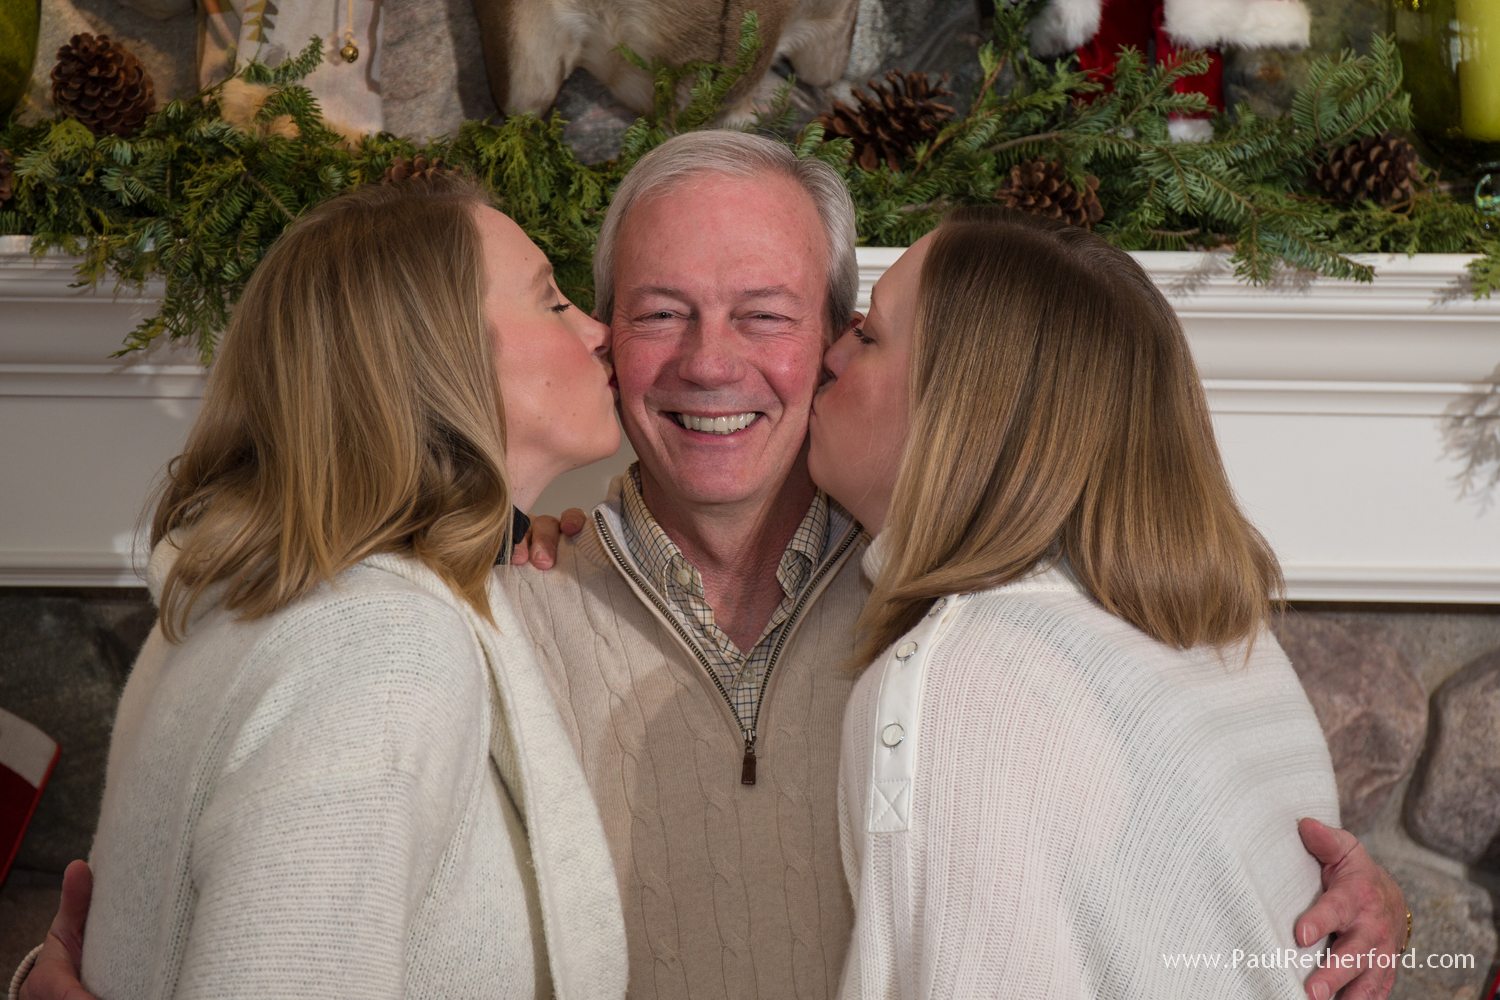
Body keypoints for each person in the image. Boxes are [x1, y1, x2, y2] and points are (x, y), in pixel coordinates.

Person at [18, 132, 1407, 1000]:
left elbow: (1182, 859)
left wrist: (1336, 920)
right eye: (655, 311)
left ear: (844, 338)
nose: (709, 364)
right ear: (607, 337)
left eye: (768, 315)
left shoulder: (987, 613)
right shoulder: (480, 609)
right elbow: (246, 895)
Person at [17, 177, 627, 1000]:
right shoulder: (378, 651)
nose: (599, 331)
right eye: (553, 301)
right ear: (432, 354)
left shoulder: (297, 608)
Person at [810, 207, 1355, 997]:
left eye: (869, 336)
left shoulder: (963, 681)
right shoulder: (1222, 636)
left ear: (965, 411)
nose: (829, 353)